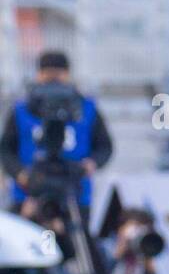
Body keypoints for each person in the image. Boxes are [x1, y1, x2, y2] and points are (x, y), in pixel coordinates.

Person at [2, 51, 112, 218]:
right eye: (48, 74)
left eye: (58, 74)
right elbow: (6, 149)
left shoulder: (86, 107)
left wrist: (91, 164)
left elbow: (104, 146)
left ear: (67, 75)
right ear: (39, 75)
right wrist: (20, 174)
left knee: (76, 241)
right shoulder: (22, 109)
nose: (53, 81)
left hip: (74, 193)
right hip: (29, 193)